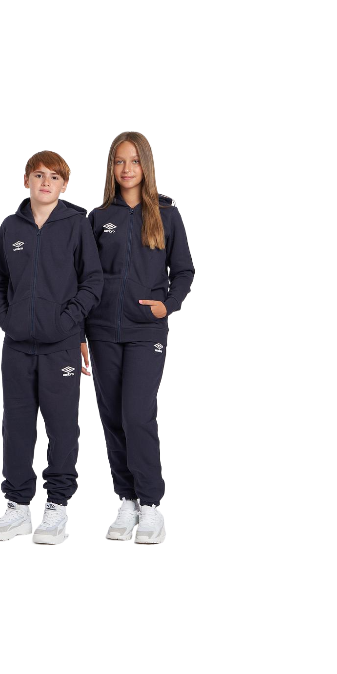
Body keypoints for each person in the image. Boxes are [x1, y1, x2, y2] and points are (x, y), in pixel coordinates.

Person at [0, 151, 102, 545]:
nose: (45, 182)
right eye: (38, 175)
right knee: (16, 427)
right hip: (17, 347)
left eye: (54, 176)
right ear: (26, 181)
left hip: (61, 347)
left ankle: (57, 506)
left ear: (64, 185)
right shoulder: (10, 227)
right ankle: (17, 507)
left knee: (62, 427)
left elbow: (92, 282)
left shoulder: (77, 225)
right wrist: (8, 320)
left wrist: (66, 322)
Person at [84, 132, 195, 544]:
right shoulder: (98, 218)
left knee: (137, 413)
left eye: (133, 161)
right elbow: (84, 278)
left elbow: (183, 270)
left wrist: (168, 305)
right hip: (101, 331)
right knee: (112, 415)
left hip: (146, 330)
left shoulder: (166, 214)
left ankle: (150, 505)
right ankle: (127, 499)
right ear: (111, 167)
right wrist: (80, 332)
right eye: (119, 161)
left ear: (145, 165)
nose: (126, 169)